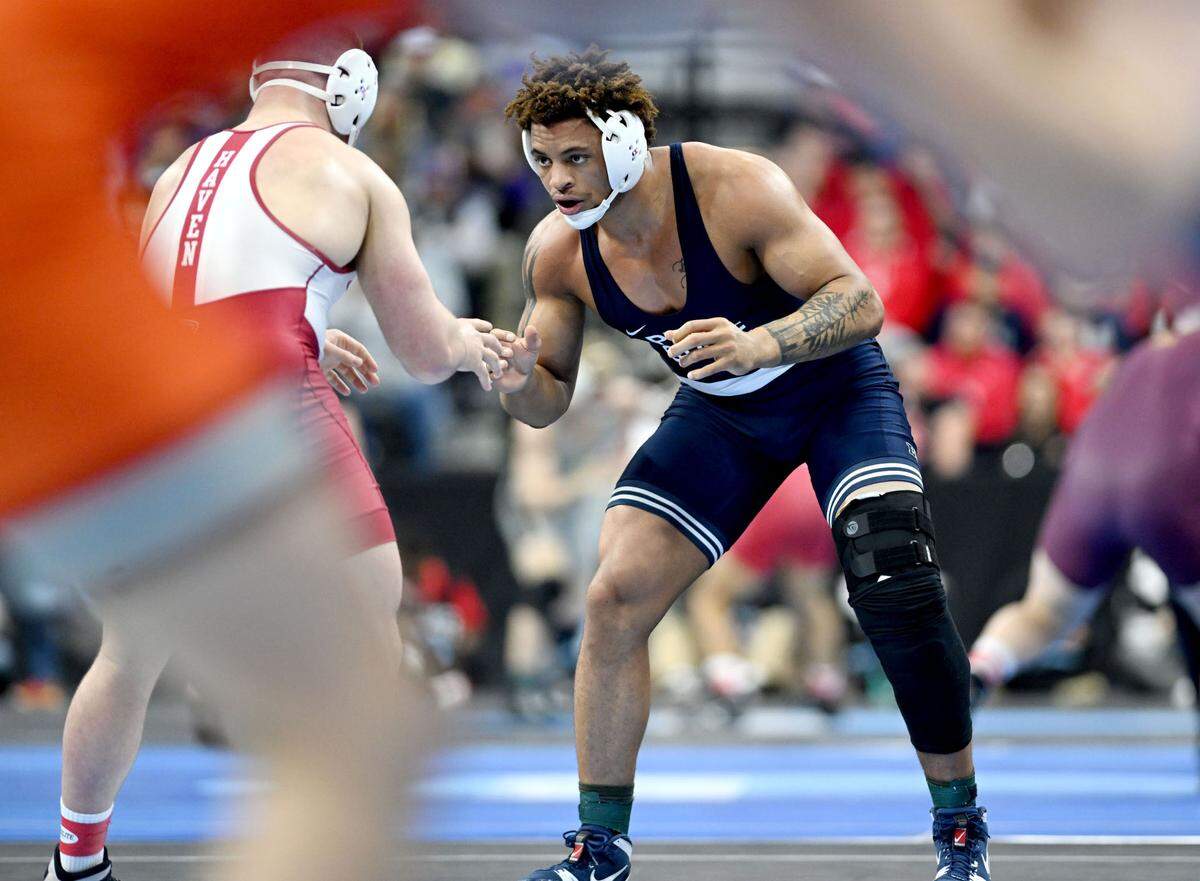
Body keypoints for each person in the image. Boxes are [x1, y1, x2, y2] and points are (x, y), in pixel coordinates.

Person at [0, 6, 507, 881]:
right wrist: (474, 342)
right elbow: (422, 353)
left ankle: (76, 861)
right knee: (361, 648)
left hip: (144, 406)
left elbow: (188, 311)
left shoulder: (181, 170)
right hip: (272, 400)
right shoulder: (351, 172)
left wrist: (308, 327)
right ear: (350, 86)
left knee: (133, 646)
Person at [492, 47, 988, 881]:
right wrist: (513, 382)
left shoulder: (732, 188)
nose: (558, 180)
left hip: (833, 391)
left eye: (576, 157)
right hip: (724, 413)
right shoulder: (558, 253)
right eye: (542, 160)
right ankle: (599, 844)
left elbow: (858, 300)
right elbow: (548, 399)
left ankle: (960, 823)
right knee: (614, 596)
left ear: (625, 144)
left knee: (893, 577)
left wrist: (761, 339)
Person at [970, 299, 1200, 715]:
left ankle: (985, 663)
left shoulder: (1147, 355)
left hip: (1098, 456)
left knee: (1043, 613)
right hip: (1172, 469)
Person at [687, 465, 847, 713]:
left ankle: (730, 679)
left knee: (710, 597)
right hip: (819, 495)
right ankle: (824, 679)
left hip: (778, 495)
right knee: (812, 596)